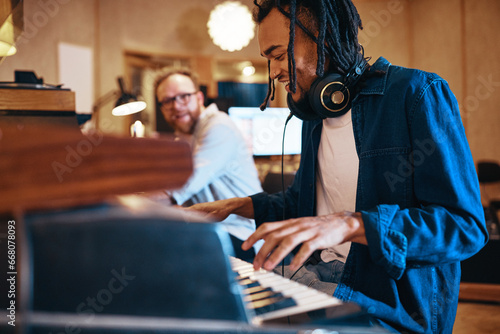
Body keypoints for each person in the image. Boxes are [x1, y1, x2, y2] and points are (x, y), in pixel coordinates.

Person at [186, 0, 488, 333]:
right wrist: (232, 206)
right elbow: (301, 202)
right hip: (314, 278)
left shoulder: (416, 94)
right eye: (267, 59)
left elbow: (465, 228)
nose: (273, 72)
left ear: (323, 38)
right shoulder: (313, 117)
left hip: (386, 303)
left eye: (277, 54)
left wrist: (350, 225)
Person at [154, 68, 263, 261]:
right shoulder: (192, 137)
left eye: (183, 97)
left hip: (243, 236)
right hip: (216, 230)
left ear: (199, 98)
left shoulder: (219, 126)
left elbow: (181, 187)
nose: (177, 106)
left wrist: (120, 206)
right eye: (168, 101)